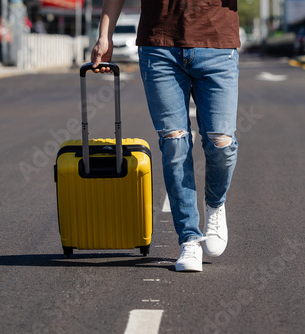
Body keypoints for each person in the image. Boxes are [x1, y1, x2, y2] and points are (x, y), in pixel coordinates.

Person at [91, 0, 240, 272]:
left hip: (217, 42)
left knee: (221, 143)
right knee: (174, 143)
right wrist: (105, 35)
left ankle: (215, 204)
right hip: (159, 45)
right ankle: (190, 239)